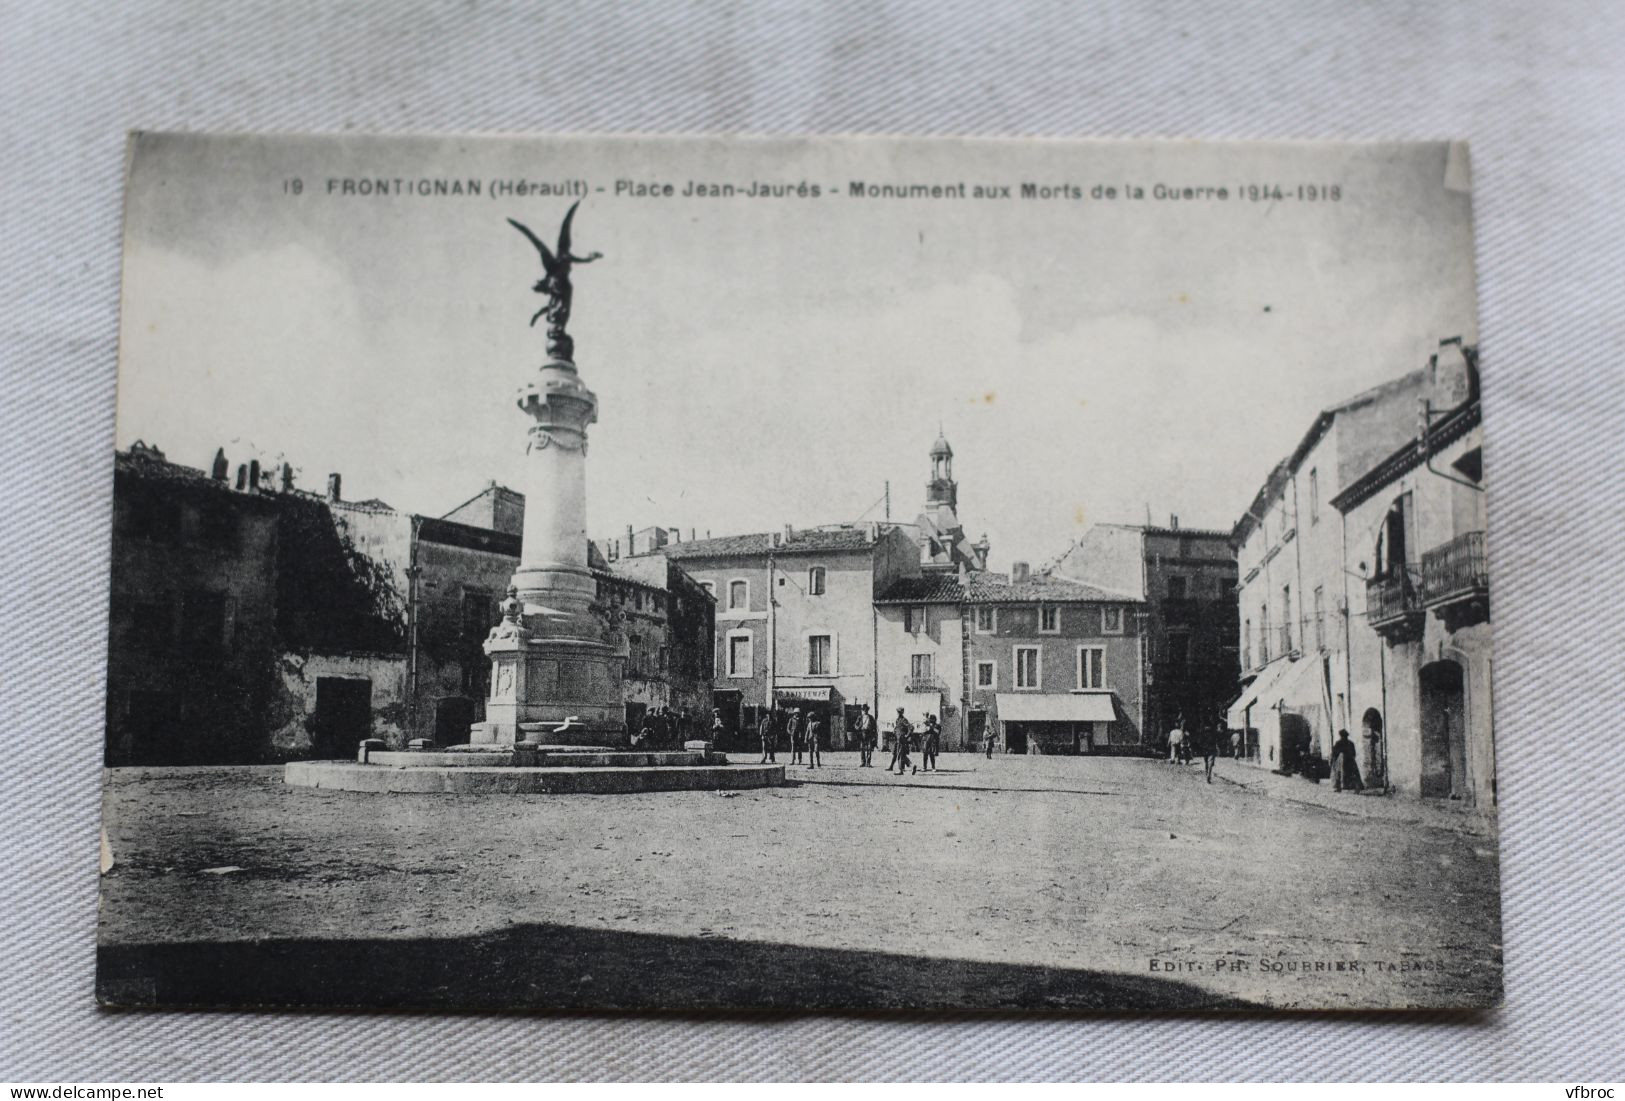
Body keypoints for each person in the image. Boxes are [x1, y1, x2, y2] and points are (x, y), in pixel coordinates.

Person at [1331, 728, 1364, 793]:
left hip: (1342, 761)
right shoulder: (1350, 743)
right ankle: (1356, 788)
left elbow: (1335, 752)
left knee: (1339, 773)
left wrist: (1334, 758)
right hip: (1350, 760)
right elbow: (1354, 753)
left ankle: (1339, 788)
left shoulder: (1339, 742)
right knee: (1353, 774)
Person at [892, 709, 914, 775]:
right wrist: (895, 731)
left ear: (902, 712)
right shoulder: (897, 720)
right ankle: (912, 766)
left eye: (899, 712)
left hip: (902, 739)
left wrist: (907, 735)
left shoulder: (904, 720)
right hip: (898, 739)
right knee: (902, 755)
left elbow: (911, 727)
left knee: (900, 755)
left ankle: (900, 770)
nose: (898, 713)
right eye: (897, 712)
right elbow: (897, 728)